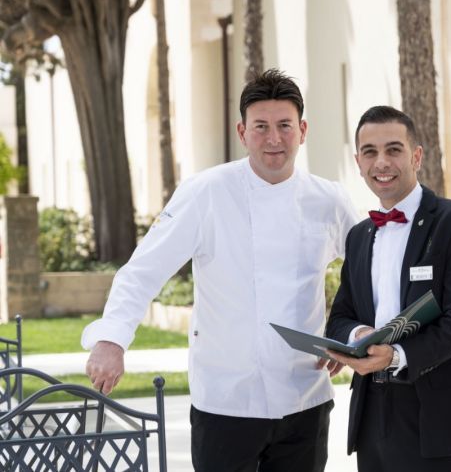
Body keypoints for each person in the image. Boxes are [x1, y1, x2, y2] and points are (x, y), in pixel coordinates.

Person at [81, 69, 359, 472]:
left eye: (284, 125)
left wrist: (347, 333)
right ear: (242, 132)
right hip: (226, 401)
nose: (274, 139)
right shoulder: (205, 192)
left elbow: (366, 269)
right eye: (261, 126)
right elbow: (143, 270)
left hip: (305, 396)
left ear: (303, 129)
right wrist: (112, 339)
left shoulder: (328, 199)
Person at [325, 105, 451, 472]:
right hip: (372, 408)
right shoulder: (359, 236)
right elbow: (341, 315)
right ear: (358, 162)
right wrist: (360, 334)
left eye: (394, 149)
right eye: (370, 152)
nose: (381, 162)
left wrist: (396, 355)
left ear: (416, 156)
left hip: (437, 411)